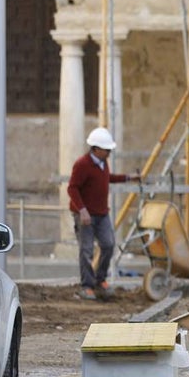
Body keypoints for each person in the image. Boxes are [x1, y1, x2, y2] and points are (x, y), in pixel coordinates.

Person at [67, 126, 138, 301]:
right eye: (107, 150)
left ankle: (100, 280)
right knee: (86, 250)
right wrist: (82, 211)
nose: (109, 153)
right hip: (85, 216)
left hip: (101, 213)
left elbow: (107, 178)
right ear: (96, 149)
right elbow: (72, 188)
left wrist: (128, 178)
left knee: (108, 244)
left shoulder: (102, 163)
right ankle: (87, 286)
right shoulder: (82, 164)